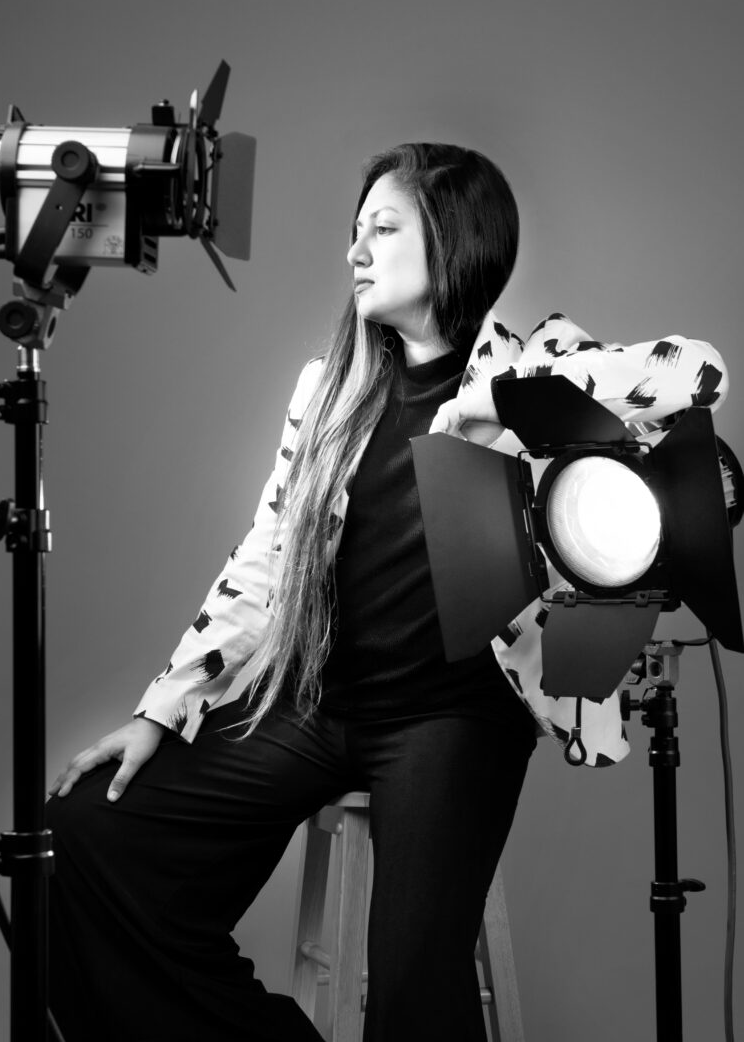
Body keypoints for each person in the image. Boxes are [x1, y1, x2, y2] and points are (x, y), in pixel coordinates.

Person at [46, 142, 728, 1042]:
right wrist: (161, 710)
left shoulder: (538, 369)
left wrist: (507, 400)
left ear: (453, 240)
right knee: (82, 840)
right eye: (355, 229)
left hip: (454, 719)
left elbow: (700, 374)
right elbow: (265, 559)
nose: (355, 251)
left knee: (412, 991)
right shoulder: (328, 389)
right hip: (316, 706)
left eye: (384, 227)